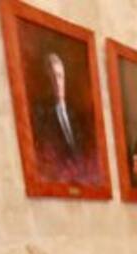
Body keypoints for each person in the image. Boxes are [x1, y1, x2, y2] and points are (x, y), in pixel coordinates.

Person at [32, 52, 94, 183]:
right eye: (53, 77)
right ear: (48, 81)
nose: (57, 82)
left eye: (60, 76)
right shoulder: (41, 114)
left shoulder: (75, 114)